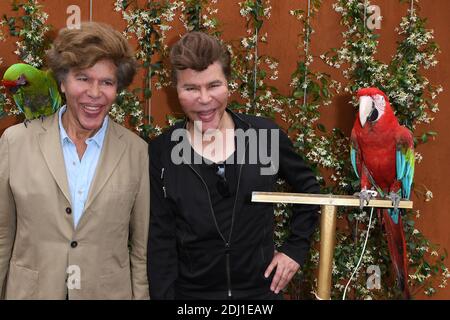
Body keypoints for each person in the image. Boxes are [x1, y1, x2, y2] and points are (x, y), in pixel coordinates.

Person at [148, 31, 320, 300]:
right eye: (191, 88)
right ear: (176, 90)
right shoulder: (162, 152)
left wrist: (295, 249)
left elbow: (309, 189)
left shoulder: (264, 136)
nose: (204, 99)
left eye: (214, 85)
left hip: (261, 296)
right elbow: (160, 239)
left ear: (229, 83)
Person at [0, 22, 149, 299]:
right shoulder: (14, 143)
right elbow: (1, 237)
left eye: (106, 82)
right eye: (82, 78)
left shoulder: (136, 152)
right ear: (61, 82)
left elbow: (141, 252)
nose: (94, 93)